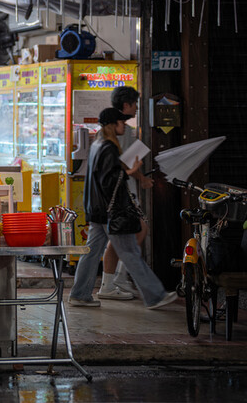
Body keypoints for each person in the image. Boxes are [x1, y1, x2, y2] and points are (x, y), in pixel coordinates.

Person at [69, 108, 177, 310]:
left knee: (91, 252)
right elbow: (109, 180)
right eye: (122, 122)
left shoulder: (97, 145)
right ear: (113, 124)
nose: (124, 126)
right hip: (111, 212)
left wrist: (128, 172)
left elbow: (102, 177)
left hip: (97, 209)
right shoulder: (108, 147)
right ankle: (155, 296)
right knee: (129, 252)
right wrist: (130, 172)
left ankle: (80, 294)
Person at [98, 87, 153, 299]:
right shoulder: (122, 130)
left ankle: (114, 280)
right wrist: (141, 178)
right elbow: (125, 162)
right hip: (119, 194)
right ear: (126, 105)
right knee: (134, 232)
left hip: (111, 194)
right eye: (135, 104)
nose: (137, 108)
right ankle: (115, 279)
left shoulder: (112, 129)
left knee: (126, 234)